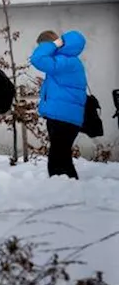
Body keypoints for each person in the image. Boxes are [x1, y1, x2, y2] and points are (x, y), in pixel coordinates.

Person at [30, 29, 89, 180]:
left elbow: (37, 58)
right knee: (62, 156)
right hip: (63, 115)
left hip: (63, 117)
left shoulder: (65, 61)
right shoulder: (67, 61)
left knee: (57, 159)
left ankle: (63, 189)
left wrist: (52, 45)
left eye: (42, 46)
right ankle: (68, 188)